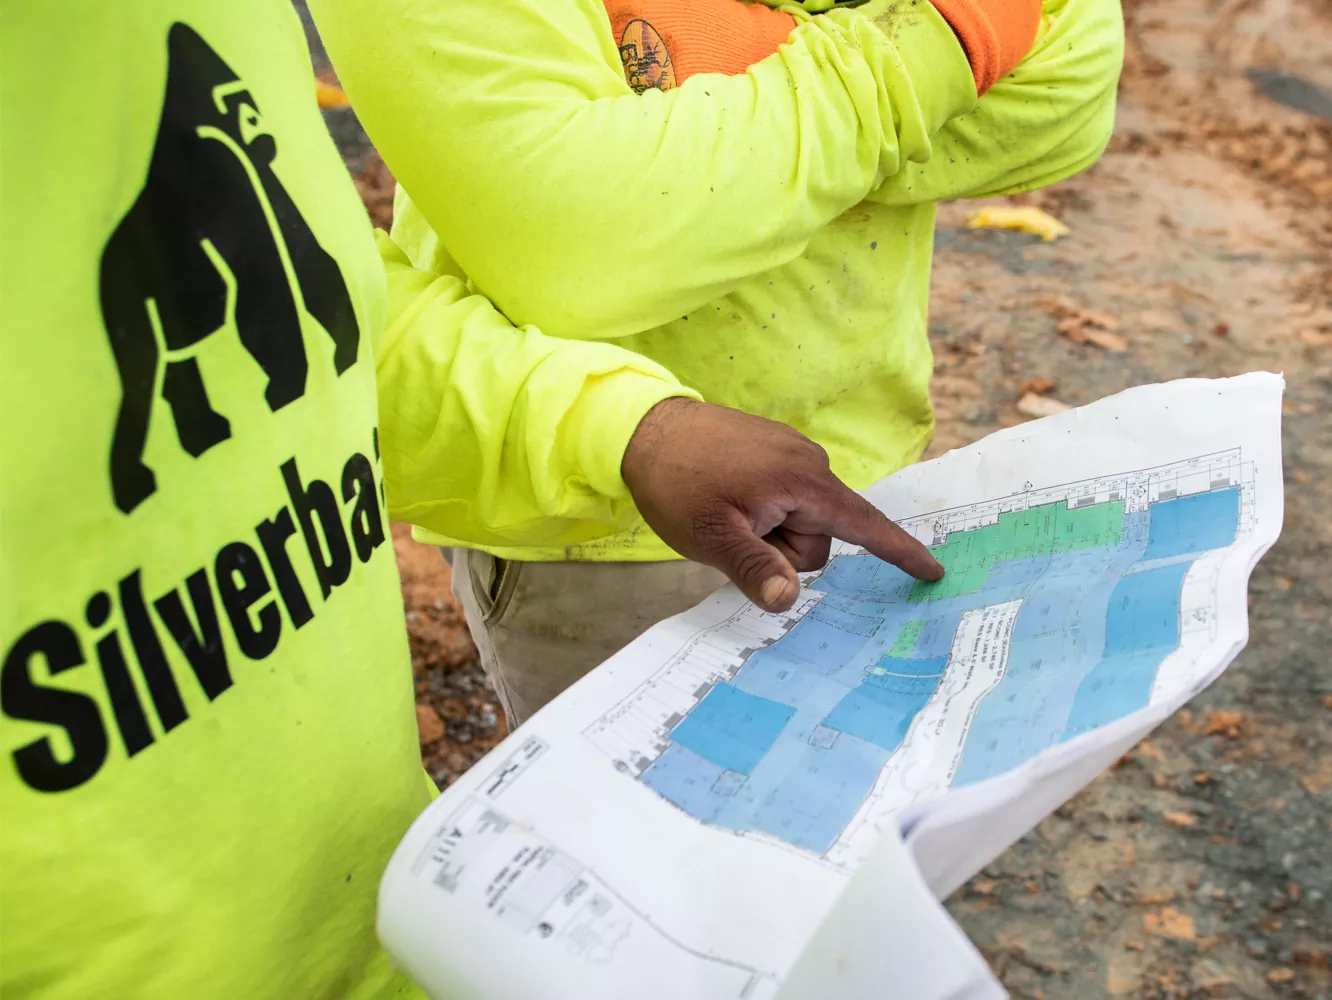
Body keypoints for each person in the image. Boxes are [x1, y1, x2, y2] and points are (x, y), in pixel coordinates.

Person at [0, 3, 943, 998]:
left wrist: (624, 429)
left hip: (391, 934)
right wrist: (929, 58)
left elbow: (320, 313)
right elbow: (574, 232)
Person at [309, 0, 1126, 725]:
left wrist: (710, 88)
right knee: (652, 837)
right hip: (606, 516)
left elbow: (1072, 86)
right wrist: (949, 44)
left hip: (874, 461)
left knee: (860, 811)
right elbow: (583, 239)